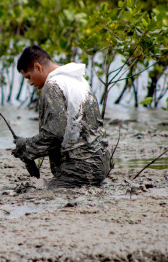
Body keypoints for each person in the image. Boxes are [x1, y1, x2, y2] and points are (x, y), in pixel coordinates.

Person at [12, 45, 111, 188]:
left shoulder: (52, 85)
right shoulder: (79, 80)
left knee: (46, 196)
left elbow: (54, 133)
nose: (31, 83)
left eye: (29, 77)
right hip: (102, 165)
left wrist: (26, 147)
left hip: (81, 169)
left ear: (38, 67)